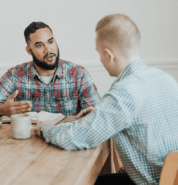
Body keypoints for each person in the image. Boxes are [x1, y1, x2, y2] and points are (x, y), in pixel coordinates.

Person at [36, 14, 178, 185]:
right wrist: (101, 113)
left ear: (108, 55)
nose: (101, 60)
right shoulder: (165, 78)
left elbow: (74, 138)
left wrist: (46, 129)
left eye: (99, 53)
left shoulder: (123, 93)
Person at [0, 22, 100, 117]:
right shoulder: (15, 75)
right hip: (27, 145)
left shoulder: (78, 74)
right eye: (39, 45)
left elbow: (98, 116)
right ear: (29, 50)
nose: (48, 50)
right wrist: (1, 109)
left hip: (66, 144)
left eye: (50, 42)